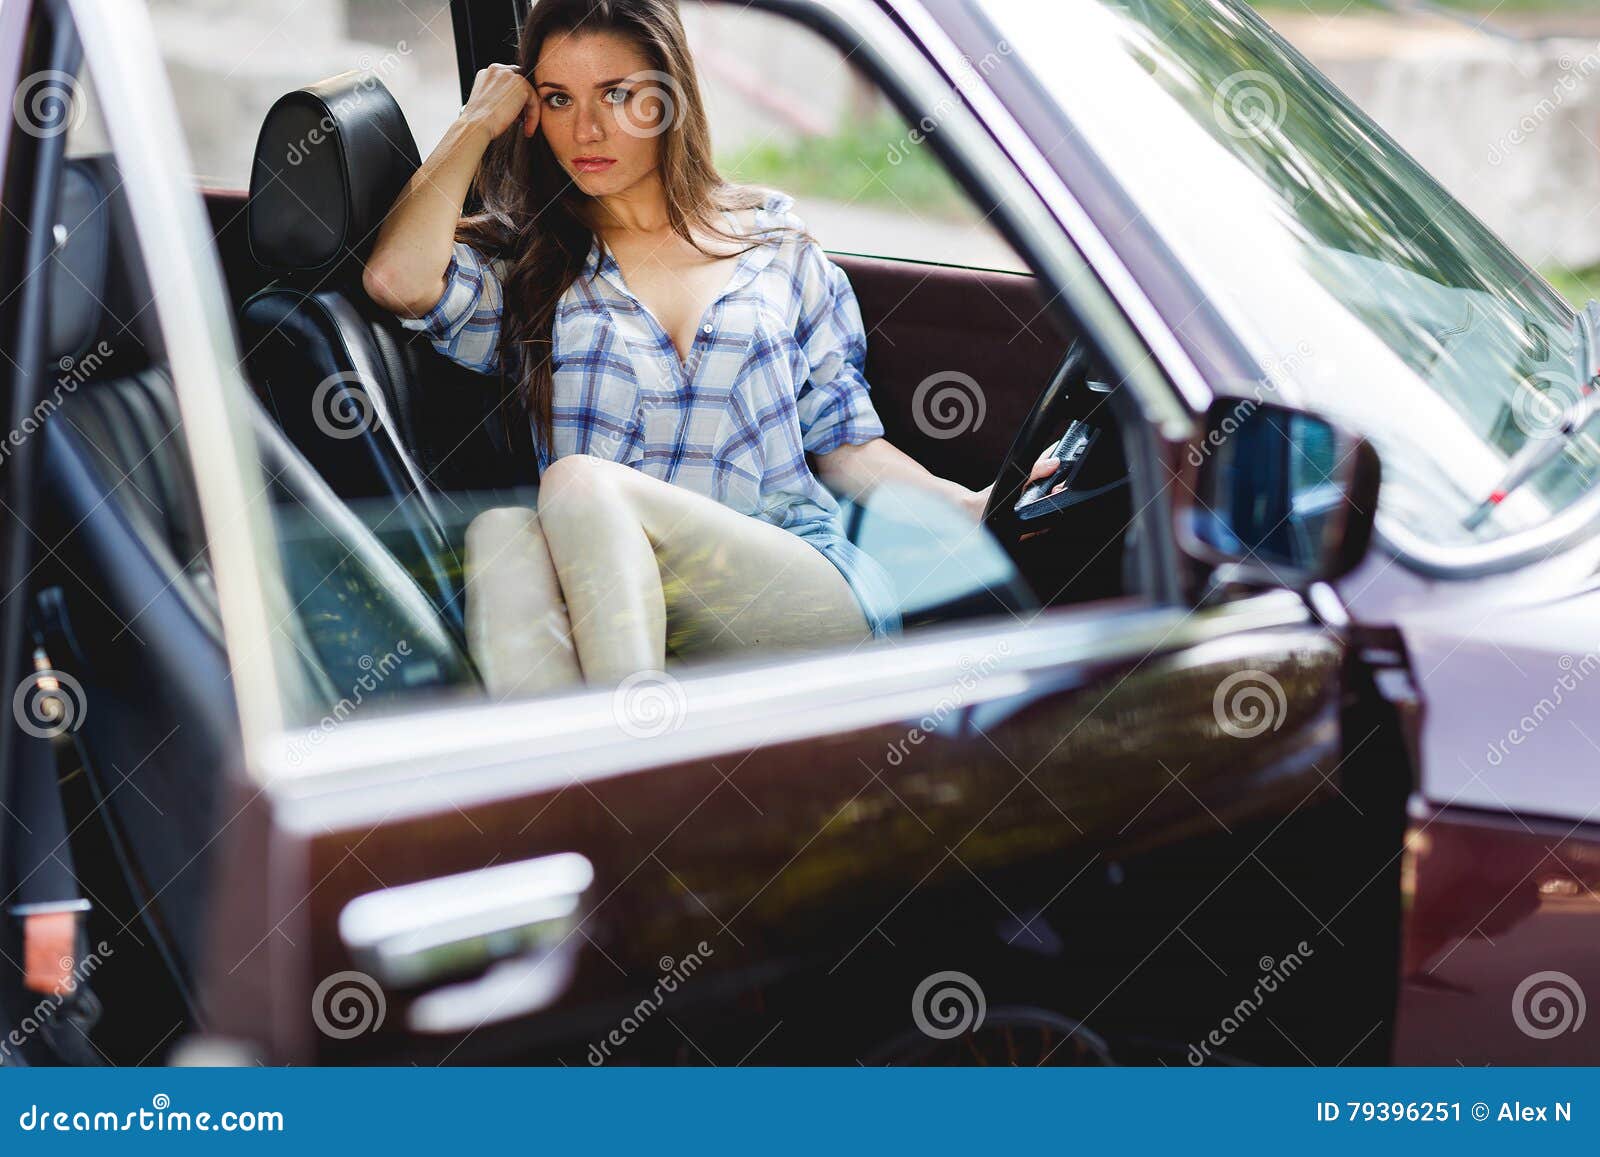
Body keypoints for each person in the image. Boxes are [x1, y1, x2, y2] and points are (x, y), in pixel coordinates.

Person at [363, 0, 1058, 695]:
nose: (587, 128)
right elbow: (396, 278)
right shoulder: (532, 271)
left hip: (787, 584)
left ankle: (635, 754)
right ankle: (603, 784)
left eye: (618, 94)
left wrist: (967, 506)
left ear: (670, 96)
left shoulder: (771, 241)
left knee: (577, 480)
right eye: (557, 99)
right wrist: (477, 121)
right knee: (499, 537)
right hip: (611, 607)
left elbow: (845, 444)